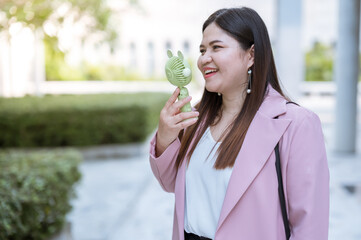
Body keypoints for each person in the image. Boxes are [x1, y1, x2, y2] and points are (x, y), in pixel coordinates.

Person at [149, 7, 329, 240]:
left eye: (217, 47)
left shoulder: (296, 124)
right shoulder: (195, 120)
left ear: (251, 55)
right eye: (202, 50)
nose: (204, 58)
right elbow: (171, 183)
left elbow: (309, 226)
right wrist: (165, 138)